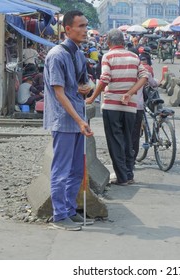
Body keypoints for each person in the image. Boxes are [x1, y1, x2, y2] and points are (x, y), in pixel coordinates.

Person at [43, 10, 95, 231]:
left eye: (86, 26)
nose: (85, 30)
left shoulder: (79, 54)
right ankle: (59, 215)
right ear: (68, 29)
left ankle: (70, 210)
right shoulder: (56, 55)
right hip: (64, 120)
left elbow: (83, 85)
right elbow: (59, 93)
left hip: (78, 118)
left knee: (76, 170)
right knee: (61, 169)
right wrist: (80, 120)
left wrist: (87, 88)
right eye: (80, 26)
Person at [86, 29, 149, 186]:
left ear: (108, 43)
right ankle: (129, 174)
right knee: (128, 139)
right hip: (130, 107)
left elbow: (105, 78)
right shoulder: (134, 57)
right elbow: (144, 77)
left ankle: (122, 178)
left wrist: (92, 98)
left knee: (115, 141)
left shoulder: (108, 56)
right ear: (123, 42)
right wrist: (130, 93)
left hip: (112, 106)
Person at [132, 56, 157, 162]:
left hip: (125, 106)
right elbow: (154, 83)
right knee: (135, 135)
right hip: (138, 106)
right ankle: (132, 160)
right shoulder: (146, 71)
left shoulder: (129, 71)